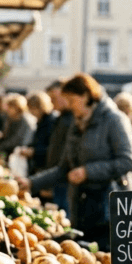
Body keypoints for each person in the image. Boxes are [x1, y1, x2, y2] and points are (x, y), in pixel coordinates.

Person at [23, 74, 132, 250]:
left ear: (86, 96)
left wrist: (88, 171)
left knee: (104, 260)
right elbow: (63, 168)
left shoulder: (114, 119)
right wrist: (31, 183)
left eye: (71, 99)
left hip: (109, 209)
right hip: (81, 207)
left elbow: (127, 161)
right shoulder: (76, 124)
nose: (68, 105)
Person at [45, 80, 74, 209]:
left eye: (54, 98)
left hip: (65, 179)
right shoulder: (61, 118)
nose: (52, 102)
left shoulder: (72, 120)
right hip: (57, 176)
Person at [22, 91, 56, 175]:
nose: (31, 112)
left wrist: (34, 151)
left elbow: (53, 148)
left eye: (33, 108)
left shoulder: (51, 122)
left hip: (46, 167)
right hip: (39, 164)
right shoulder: (40, 121)